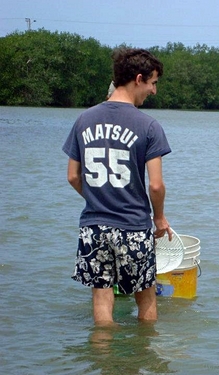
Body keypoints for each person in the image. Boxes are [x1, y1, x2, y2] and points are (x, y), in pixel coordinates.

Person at [63, 48, 172, 325]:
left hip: (94, 226)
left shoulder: (83, 120)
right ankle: (139, 360)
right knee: (146, 299)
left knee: (102, 300)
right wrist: (159, 218)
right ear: (138, 79)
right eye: (153, 83)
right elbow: (156, 185)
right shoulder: (148, 126)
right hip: (133, 227)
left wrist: (100, 200)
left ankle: (104, 360)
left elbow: (73, 176)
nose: (154, 91)